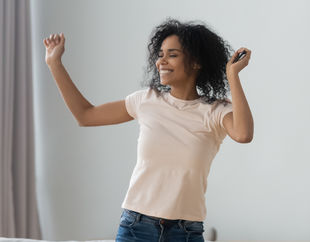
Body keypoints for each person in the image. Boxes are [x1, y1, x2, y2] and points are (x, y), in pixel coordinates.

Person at [43, 18, 253, 242]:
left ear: (196, 63)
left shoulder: (215, 111)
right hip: (136, 227)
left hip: (186, 231)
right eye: (160, 54)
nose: (161, 61)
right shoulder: (146, 100)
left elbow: (243, 134)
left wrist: (233, 76)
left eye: (172, 55)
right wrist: (55, 64)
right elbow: (85, 115)